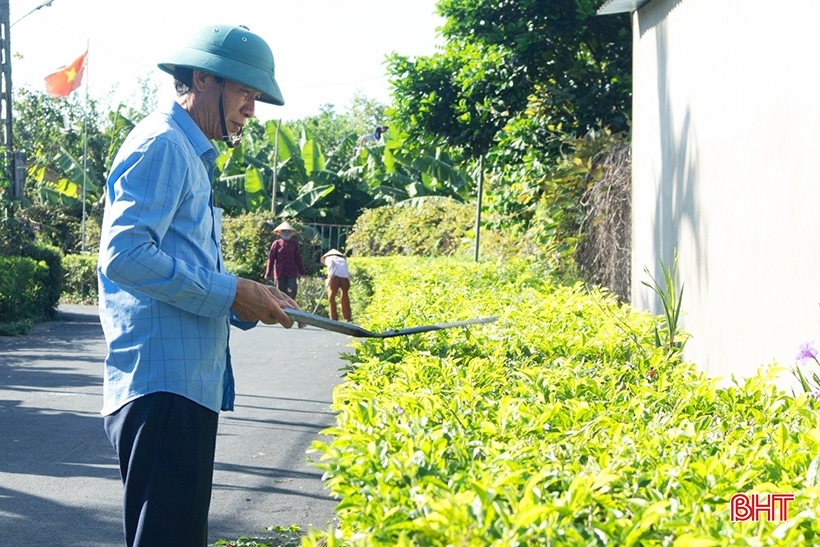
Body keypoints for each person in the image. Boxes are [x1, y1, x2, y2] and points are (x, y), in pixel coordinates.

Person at [97, 24, 301, 547]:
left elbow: (183, 263)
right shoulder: (164, 143)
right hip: (163, 389)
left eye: (256, 97)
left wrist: (249, 297)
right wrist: (231, 292)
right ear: (204, 79)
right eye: (246, 93)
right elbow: (125, 256)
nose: (251, 110)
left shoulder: (188, 152)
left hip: (180, 388)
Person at [264, 220, 306, 300]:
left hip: (291, 271)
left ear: (291, 233)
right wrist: (268, 273)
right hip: (280, 271)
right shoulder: (276, 244)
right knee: (280, 292)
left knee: (293, 289)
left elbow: (298, 259)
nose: (286, 233)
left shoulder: (293, 245)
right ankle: (281, 309)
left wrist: (302, 273)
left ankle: (290, 306)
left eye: (288, 232)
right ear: (280, 233)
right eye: (284, 232)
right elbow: (271, 259)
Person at [321, 248, 351, 321]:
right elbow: (346, 271)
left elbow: (331, 267)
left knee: (331, 297)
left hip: (334, 277)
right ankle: (347, 317)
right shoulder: (343, 260)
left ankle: (333, 318)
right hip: (345, 278)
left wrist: (329, 279)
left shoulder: (329, 258)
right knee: (344, 295)